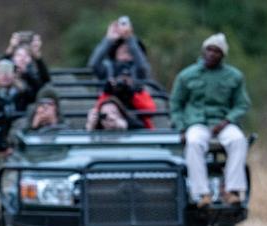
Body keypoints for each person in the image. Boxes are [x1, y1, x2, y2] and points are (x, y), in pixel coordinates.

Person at [169, 33, 251, 208]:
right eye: (209, 50)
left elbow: (242, 104)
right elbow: (176, 103)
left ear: (223, 55)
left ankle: (232, 190)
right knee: (194, 142)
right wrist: (181, 127)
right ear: (203, 51)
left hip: (223, 123)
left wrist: (227, 120)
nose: (212, 54)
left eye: (217, 51)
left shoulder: (234, 76)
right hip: (197, 123)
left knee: (238, 140)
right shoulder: (187, 75)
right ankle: (202, 193)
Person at [87, 17, 151, 82]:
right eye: (123, 52)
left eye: (130, 52)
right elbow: (93, 65)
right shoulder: (108, 68)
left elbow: (142, 67)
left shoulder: (138, 70)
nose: (126, 56)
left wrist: (129, 38)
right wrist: (109, 39)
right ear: (115, 52)